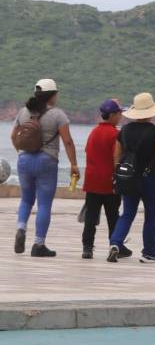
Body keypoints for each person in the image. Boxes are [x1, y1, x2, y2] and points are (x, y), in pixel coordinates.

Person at [10, 79, 78, 257]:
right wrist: (73, 164)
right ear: (51, 95)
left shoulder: (24, 112)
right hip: (47, 160)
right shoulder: (57, 115)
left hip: (24, 159)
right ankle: (38, 245)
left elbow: (13, 136)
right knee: (44, 204)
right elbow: (68, 141)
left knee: (26, 200)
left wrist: (22, 152)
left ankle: (21, 228)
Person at [107, 92, 155, 263]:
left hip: (128, 178)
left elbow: (116, 156)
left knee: (127, 213)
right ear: (151, 112)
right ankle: (149, 252)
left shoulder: (124, 130)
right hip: (150, 178)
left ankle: (115, 243)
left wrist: (118, 174)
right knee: (151, 215)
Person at [81, 99, 124, 259]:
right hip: (109, 182)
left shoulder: (94, 132)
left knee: (91, 217)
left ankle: (87, 248)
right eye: (119, 113)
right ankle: (115, 246)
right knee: (113, 217)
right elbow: (117, 158)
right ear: (112, 115)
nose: (120, 116)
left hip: (92, 181)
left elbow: (88, 152)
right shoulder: (116, 134)